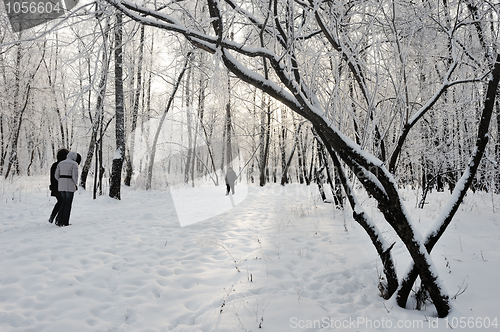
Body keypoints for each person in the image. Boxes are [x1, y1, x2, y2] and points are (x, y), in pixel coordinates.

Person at [55, 151, 79, 227]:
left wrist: (61, 180)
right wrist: (75, 184)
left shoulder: (60, 163)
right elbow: (75, 176)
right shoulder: (74, 164)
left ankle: (59, 219)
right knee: (68, 203)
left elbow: (56, 175)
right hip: (70, 185)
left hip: (61, 185)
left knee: (63, 202)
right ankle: (65, 221)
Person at [48, 148, 69, 225]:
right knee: (63, 202)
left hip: (54, 187)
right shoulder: (63, 165)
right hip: (61, 187)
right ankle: (57, 218)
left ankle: (53, 216)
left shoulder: (54, 165)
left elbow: (52, 177)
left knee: (60, 201)